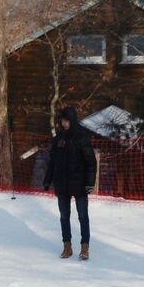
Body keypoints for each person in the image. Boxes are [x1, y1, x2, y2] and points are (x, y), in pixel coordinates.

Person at [42, 106, 97, 260]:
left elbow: (91, 163)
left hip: (79, 184)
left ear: (72, 120)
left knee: (82, 215)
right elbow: (52, 162)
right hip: (62, 184)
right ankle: (67, 246)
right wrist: (47, 180)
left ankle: (84, 247)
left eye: (66, 121)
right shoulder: (58, 139)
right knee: (64, 216)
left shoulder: (82, 137)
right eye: (62, 121)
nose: (64, 123)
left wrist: (90, 183)